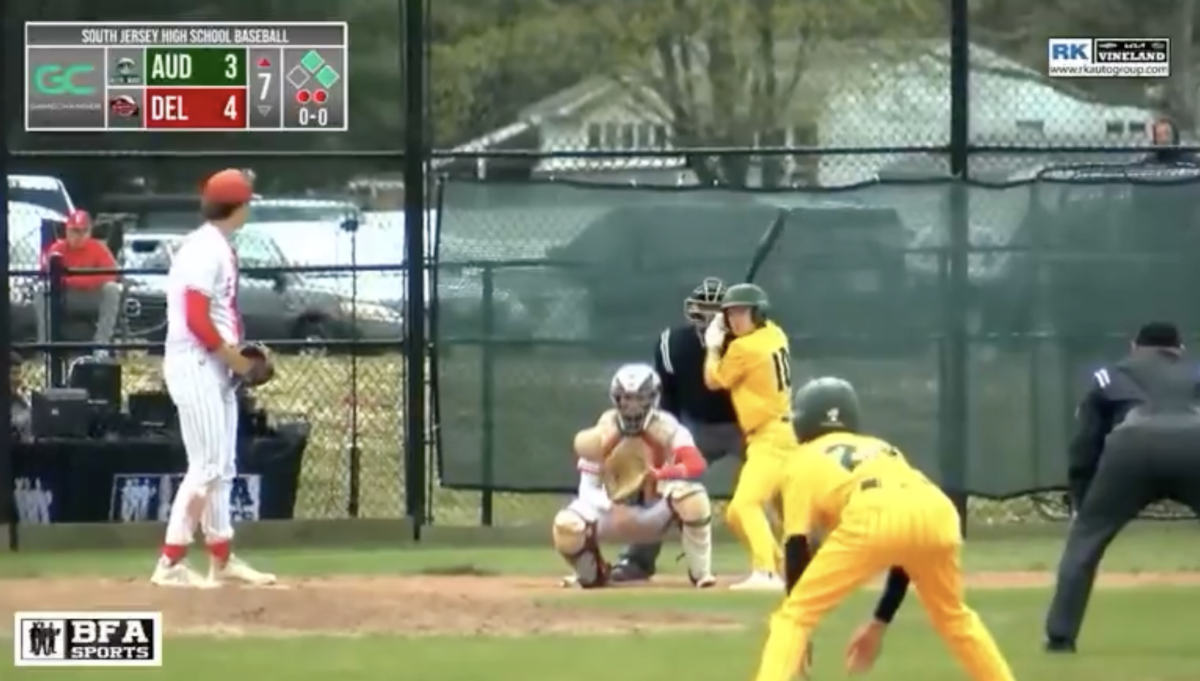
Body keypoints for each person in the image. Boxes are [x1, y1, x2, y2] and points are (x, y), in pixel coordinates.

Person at [751, 377, 1016, 681]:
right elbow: (907, 547)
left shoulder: (801, 460)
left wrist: (801, 628)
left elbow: (797, 545)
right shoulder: (881, 447)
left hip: (871, 514)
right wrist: (880, 621)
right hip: (938, 511)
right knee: (955, 618)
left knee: (791, 618)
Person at [151, 168, 275, 588]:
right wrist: (236, 360)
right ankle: (169, 564)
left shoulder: (211, 244)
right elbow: (196, 319)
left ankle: (222, 559)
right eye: (248, 200)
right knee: (204, 468)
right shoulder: (206, 249)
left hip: (213, 365)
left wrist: (232, 358)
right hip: (197, 363)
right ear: (238, 207)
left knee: (222, 467)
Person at [1044, 321, 1200, 652]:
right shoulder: (1194, 373)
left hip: (1131, 447)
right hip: (1195, 443)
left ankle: (1060, 637)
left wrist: (1080, 501)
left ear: (1133, 347)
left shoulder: (1109, 376)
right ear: (1180, 351)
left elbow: (1086, 444)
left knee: (1085, 541)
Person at [611, 277, 742, 582]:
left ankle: (806, 554)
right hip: (695, 427)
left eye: (716, 310)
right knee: (659, 484)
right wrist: (666, 442)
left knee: (785, 484)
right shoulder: (672, 342)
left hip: (746, 428)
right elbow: (666, 396)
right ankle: (638, 559)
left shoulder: (745, 344)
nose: (709, 317)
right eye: (703, 309)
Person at [552, 363, 716, 589]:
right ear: (615, 398)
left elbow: (696, 463)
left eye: (640, 398)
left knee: (693, 497)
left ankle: (701, 574)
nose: (632, 406)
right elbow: (588, 488)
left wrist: (664, 473)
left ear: (654, 398)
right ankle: (592, 575)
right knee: (566, 525)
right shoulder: (602, 430)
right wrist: (610, 508)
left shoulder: (667, 427)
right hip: (612, 514)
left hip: (653, 512)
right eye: (626, 399)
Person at [702, 283, 792, 590]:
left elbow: (714, 380)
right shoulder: (775, 334)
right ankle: (781, 567)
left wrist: (714, 345)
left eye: (742, 312)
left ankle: (766, 572)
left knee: (743, 507)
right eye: (730, 313)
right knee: (744, 513)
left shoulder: (744, 348)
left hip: (771, 436)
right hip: (779, 433)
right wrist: (728, 334)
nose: (735, 319)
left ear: (759, 313)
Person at [36, 210, 122, 352]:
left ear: (89, 232)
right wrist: (84, 280)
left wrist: (73, 280)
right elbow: (46, 273)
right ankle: (45, 346)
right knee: (41, 289)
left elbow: (111, 274)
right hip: (65, 297)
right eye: (74, 231)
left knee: (112, 289)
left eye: (83, 231)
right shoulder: (57, 248)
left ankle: (101, 346)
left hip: (91, 297)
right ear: (67, 230)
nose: (78, 236)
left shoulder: (98, 248)